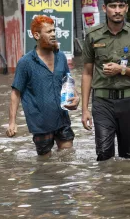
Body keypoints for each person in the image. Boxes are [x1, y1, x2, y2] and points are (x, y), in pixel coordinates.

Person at [81, 0, 130, 161]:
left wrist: (122, 70)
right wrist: (84, 110)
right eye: (113, 6)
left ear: (126, 8)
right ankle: (107, 188)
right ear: (104, 8)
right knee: (104, 154)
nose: (117, 10)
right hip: (102, 102)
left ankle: (126, 188)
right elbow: (87, 73)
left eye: (121, 6)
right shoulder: (92, 35)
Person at [6, 15, 79, 156]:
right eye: (49, 32)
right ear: (36, 35)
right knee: (45, 165)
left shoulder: (61, 57)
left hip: (62, 118)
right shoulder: (25, 62)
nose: (53, 34)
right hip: (40, 123)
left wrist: (76, 97)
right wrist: (12, 122)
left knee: (68, 158)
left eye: (54, 31)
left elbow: (68, 82)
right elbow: (16, 93)